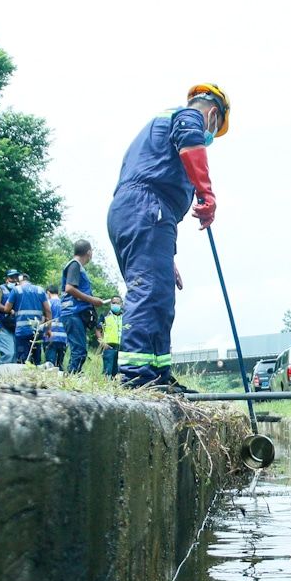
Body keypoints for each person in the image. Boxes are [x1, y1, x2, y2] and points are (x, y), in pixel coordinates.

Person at [106, 84, 228, 388]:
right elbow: (190, 140)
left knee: (160, 296)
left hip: (143, 214)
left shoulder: (159, 130)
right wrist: (206, 193)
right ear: (213, 114)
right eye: (213, 128)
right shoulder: (188, 116)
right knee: (148, 292)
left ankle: (157, 375)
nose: (208, 136)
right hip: (146, 208)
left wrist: (168, 257)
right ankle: (137, 378)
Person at [60, 240, 106, 373]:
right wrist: (92, 300)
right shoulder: (75, 265)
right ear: (89, 253)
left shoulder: (76, 266)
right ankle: (71, 379)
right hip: (72, 313)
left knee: (79, 350)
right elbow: (69, 288)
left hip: (75, 313)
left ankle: (72, 377)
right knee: (79, 351)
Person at [5, 273, 52, 365]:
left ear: (19, 282)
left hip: (22, 331)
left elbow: (6, 309)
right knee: (36, 361)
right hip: (37, 331)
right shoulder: (40, 290)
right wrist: (48, 329)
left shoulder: (16, 290)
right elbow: (48, 310)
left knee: (22, 360)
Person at [0, 269, 20, 364]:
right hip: (1, 326)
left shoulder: (18, 290)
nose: (14, 280)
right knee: (8, 354)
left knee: (15, 355)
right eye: (11, 277)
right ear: (6, 279)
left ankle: (9, 377)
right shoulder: (0, 289)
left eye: (16, 277)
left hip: (13, 326)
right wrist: (8, 310)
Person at [100, 296, 125, 378]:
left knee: (116, 371)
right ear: (110, 304)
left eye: (118, 303)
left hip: (121, 348)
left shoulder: (125, 317)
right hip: (109, 347)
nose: (115, 305)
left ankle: (112, 388)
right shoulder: (105, 315)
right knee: (107, 370)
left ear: (121, 304)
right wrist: (102, 342)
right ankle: (104, 386)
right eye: (113, 303)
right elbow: (97, 329)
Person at [45, 285, 68, 369]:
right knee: (60, 363)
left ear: (48, 292)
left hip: (51, 335)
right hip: (64, 337)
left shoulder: (48, 303)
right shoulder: (64, 303)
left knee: (50, 364)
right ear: (58, 293)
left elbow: (46, 318)